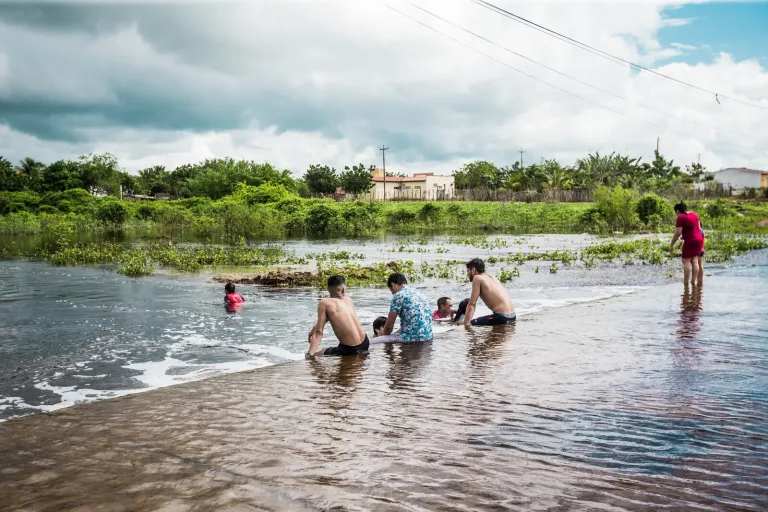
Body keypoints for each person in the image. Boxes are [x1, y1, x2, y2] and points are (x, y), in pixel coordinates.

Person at [306, 275, 369, 358]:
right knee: (328, 351)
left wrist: (309, 354)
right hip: (365, 343)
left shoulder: (324, 303)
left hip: (350, 349)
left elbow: (319, 333)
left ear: (328, 289)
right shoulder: (348, 300)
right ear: (343, 288)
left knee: (317, 355)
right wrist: (313, 329)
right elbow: (336, 316)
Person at [376, 273, 434, 343]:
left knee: (372, 342)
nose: (393, 293)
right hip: (428, 336)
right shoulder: (419, 292)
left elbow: (389, 325)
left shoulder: (398, 295)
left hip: (412, 338)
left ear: (393, 285)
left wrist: (384, 337)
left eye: (391, 291)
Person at [464, 258, 516, 327]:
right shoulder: (491, 277)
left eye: (468, 271)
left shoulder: (477, 278)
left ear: (473, 270)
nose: (467, 274)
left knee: (471, 324)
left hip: (502, 317)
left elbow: (472, 304)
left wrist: (466, 324)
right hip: (513, 316)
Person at [670, 201, 704, 286]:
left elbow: (678, 232)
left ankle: (685, 283)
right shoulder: (694, 214)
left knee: (686, 261)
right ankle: (693, 281)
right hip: (699, 239)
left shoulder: (681, 217)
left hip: (690, 240)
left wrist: (671, 244)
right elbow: (699, 228)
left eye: (676, 213)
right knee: (695, 261)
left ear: (677, 211)